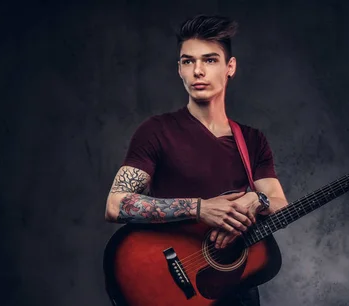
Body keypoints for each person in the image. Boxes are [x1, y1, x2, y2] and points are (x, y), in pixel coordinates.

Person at [104, 14, 288, 306]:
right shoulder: (156, 131)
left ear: (230, 67)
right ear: (179, 69)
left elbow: (279, 203)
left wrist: (258, 200)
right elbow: (117, 204)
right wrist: (200, 208)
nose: (198, 71)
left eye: (210, 60)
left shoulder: (252, 140)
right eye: (188, 61)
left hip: (235, 291)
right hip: (174, 288)